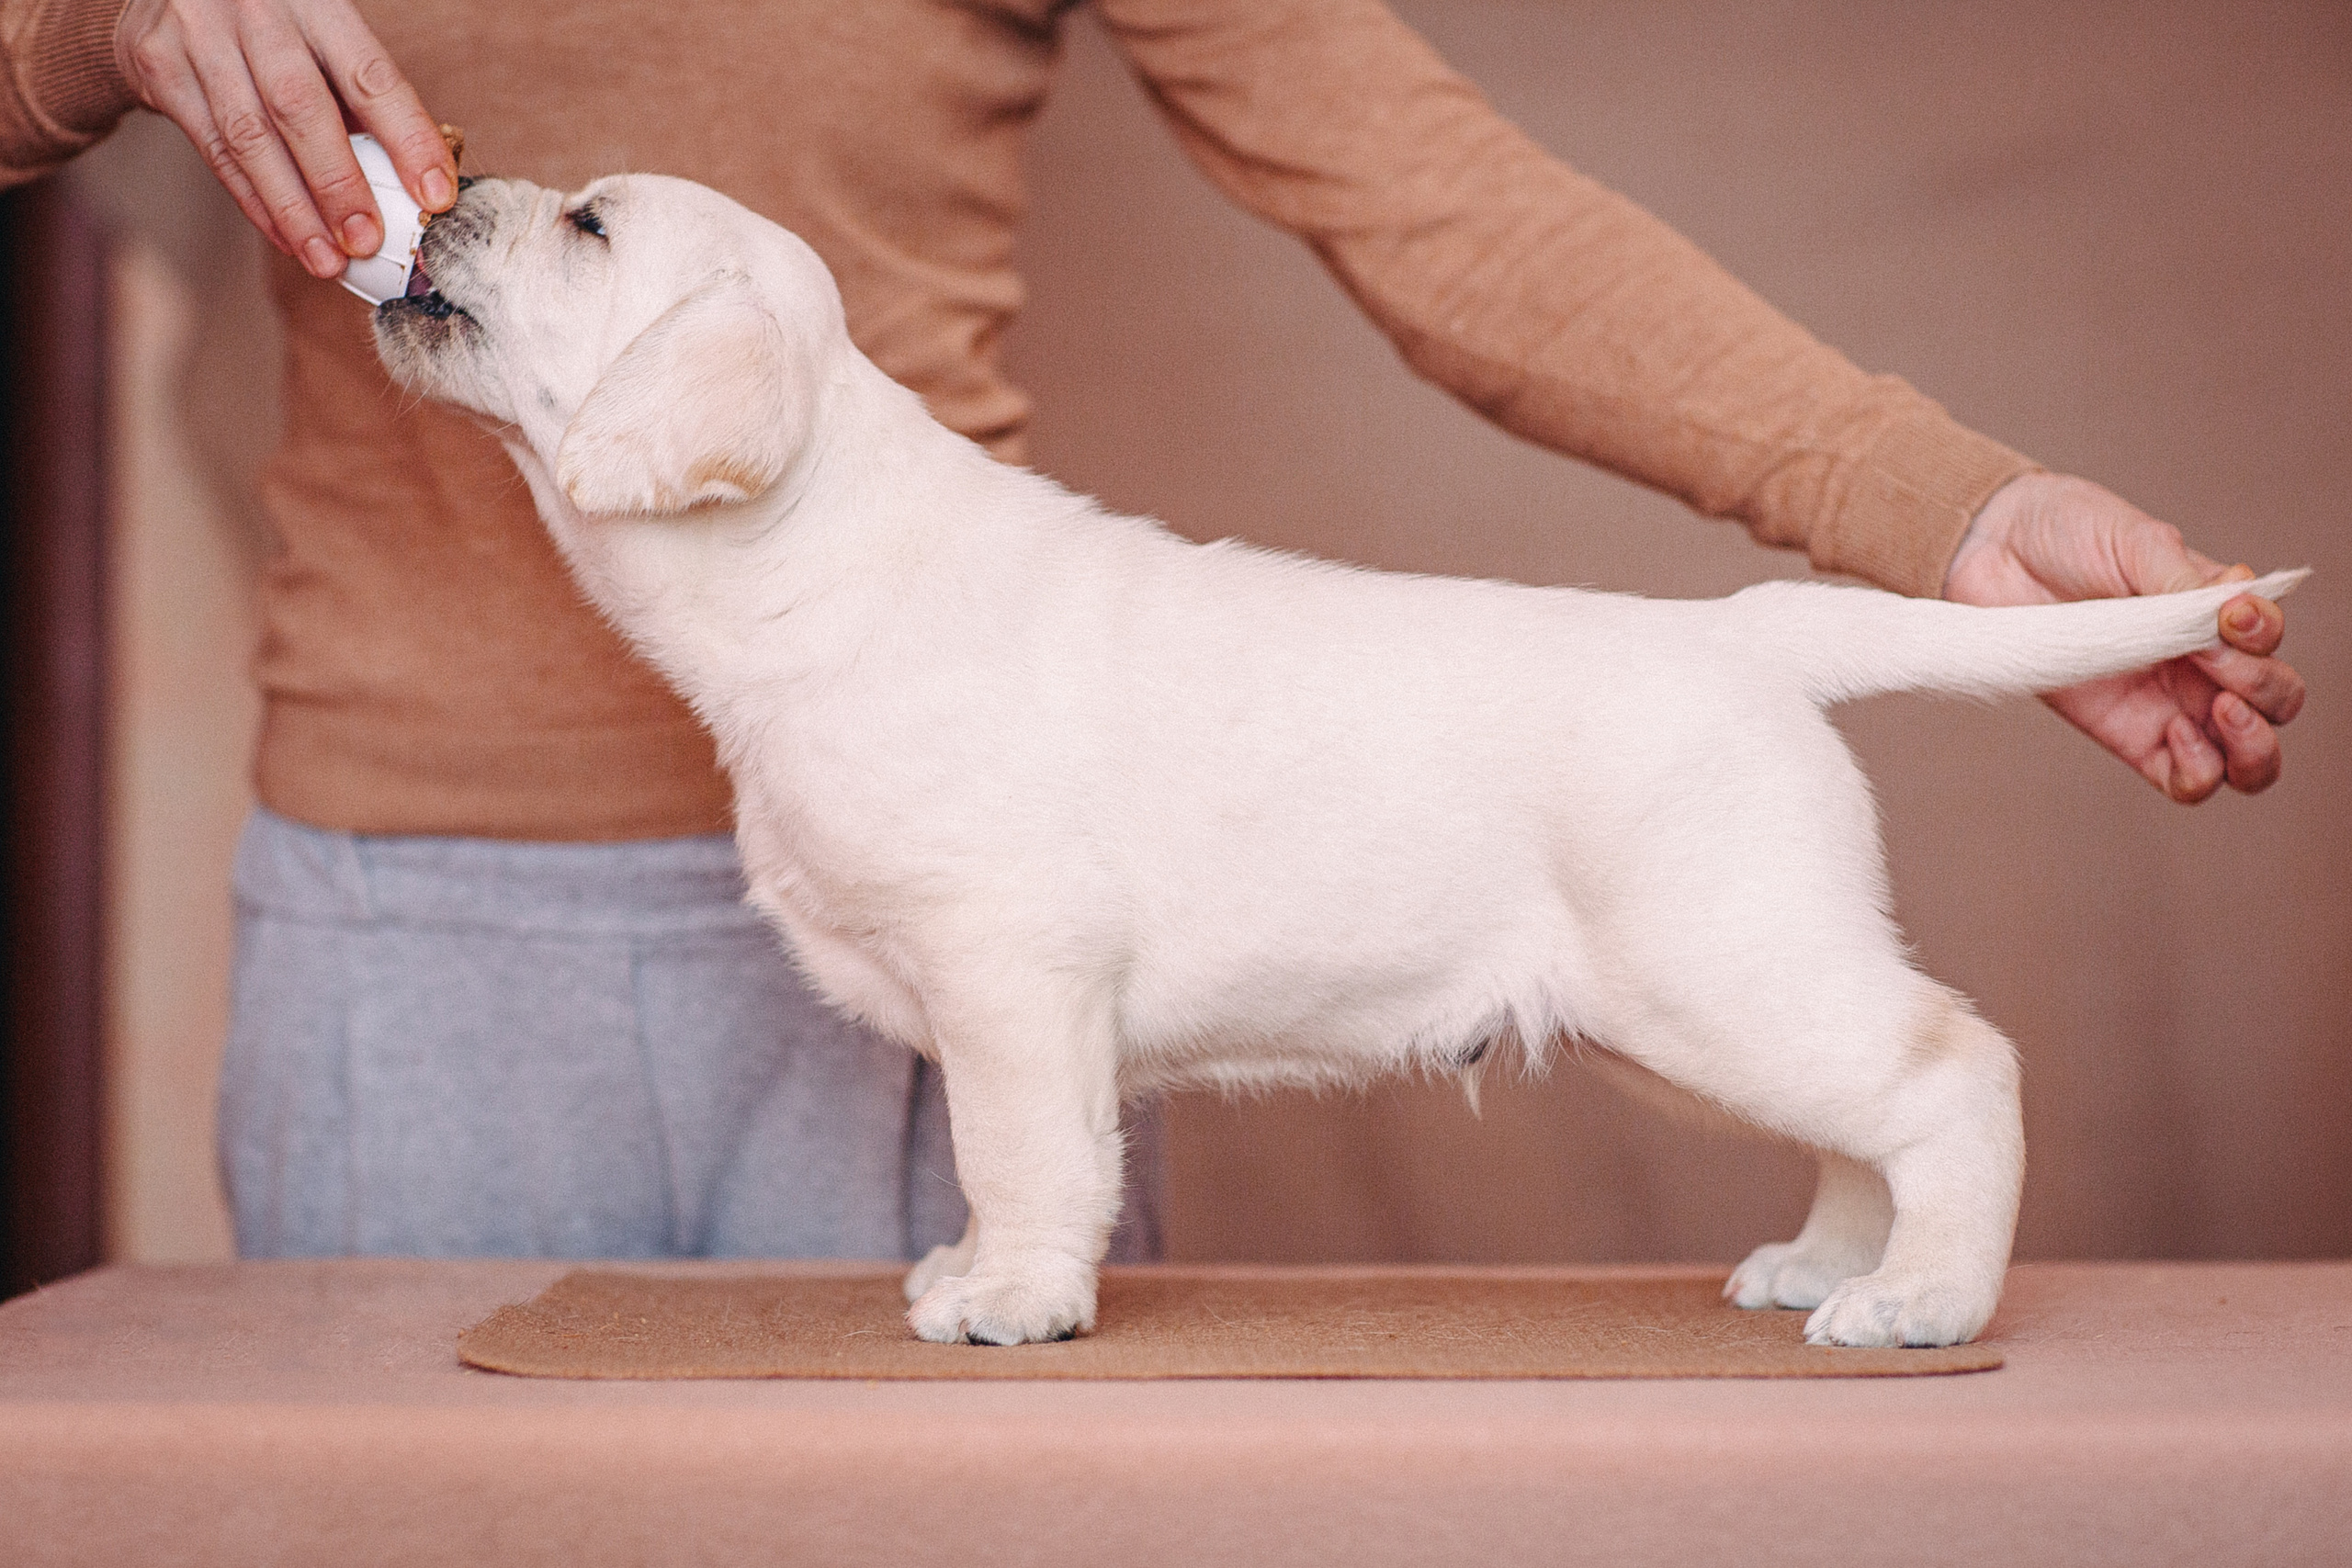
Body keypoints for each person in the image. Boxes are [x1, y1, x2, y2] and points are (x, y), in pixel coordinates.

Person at [0, 0, 2304, 1262]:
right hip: (405, 913)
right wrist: (93, 22)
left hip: (976, 877)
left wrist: (1946, 509)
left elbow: (1445, 209)